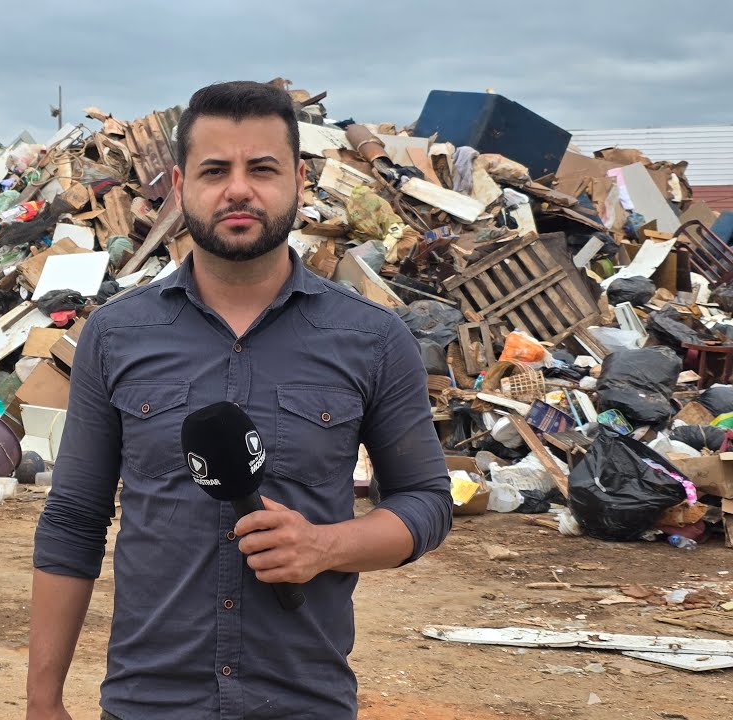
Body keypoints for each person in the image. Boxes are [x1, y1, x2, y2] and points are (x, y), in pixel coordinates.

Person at [27, 81, 452, 720]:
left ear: (299, 180)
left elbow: (426, 502)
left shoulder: (372, 338)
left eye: (262, 169)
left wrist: (325, 546)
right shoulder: (115, 336)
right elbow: (73, 521)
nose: (238, 189)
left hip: (303, 702)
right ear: (179, 185)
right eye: (215, 170)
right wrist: (43, 701)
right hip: (151, 703)